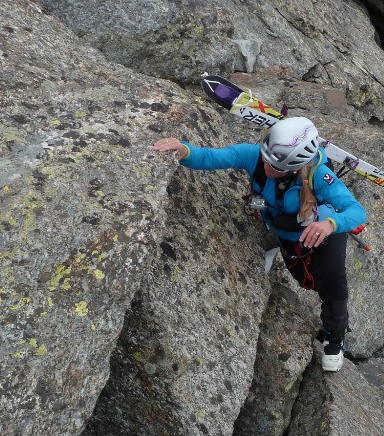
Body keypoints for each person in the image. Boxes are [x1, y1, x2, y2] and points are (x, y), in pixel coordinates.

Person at [153, 117, 366, 372]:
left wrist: (331, 223)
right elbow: (211, 157)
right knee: (308, 282)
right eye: (265, 157)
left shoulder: (319, 174)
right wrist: (184, 150)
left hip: (324, 231)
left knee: (332, 281)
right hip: (287, 234)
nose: (265, 165)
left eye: (274, 165)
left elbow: (356, 211)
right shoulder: (255, 156)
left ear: (294, 167)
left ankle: (335, 337)